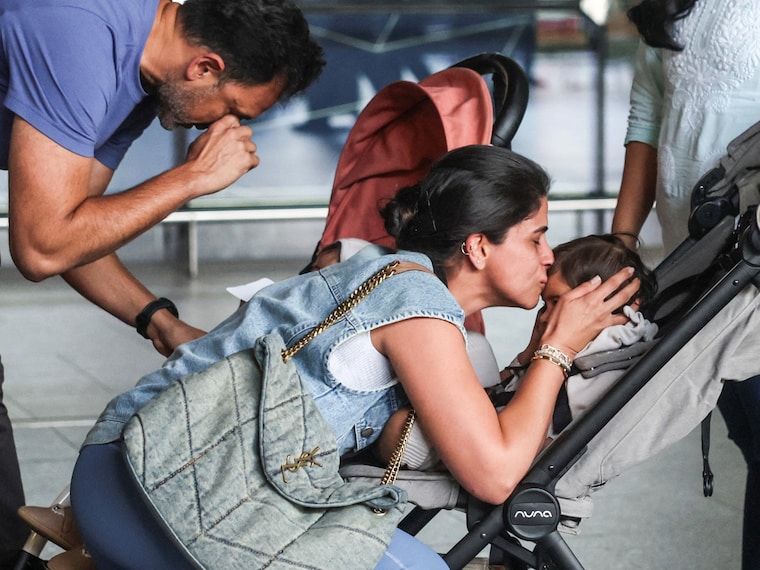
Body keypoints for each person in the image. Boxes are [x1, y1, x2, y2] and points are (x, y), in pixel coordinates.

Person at [67, 145, 640, 568]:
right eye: (536, 237)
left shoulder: (385, 274)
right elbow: (494, 475)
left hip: (134, 460)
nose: (548, 257)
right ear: (479, 246)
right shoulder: (418, 305)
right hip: (159, 488)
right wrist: (557, 347)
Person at [0, 0, 324, 564]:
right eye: (233, 109)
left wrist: (161, 321)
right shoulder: (79, 31)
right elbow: (40, 245)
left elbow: (77, 234)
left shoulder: (143, 88)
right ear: (205, 67)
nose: (226, 128)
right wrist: (192, 177)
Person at [610, 1, 760, 567]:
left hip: (754, 263)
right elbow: (646, 126)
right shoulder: (664, 7)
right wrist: (622, 242)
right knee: (749, 437)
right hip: (693, 265)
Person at [386, 233, 658, 471]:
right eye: (547, 304)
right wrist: (531, 354)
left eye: (557, 303)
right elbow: (513, 387)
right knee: (474, 345)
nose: (547, 317)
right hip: (502, 420)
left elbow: (558, 434)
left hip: (511, 446)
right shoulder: (607, 335)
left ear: (622, 302)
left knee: (402, 433)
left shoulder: (606, 350)